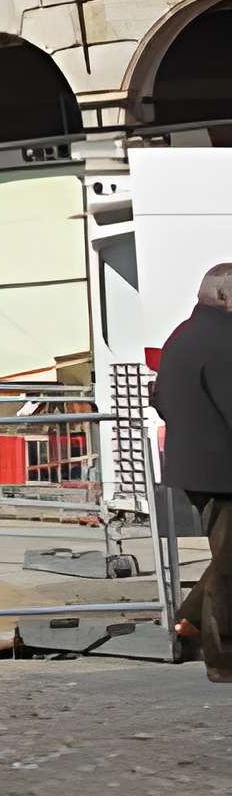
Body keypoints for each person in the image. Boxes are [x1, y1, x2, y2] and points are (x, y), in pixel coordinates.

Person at [152, 263, 232, 681]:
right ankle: (222, 660)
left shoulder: (182, 335)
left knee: (226, 558)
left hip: (195, 467)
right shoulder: (224, 339)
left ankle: (188, 621)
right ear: (224, 297)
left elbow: (160, 397)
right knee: (229, 567)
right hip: (224, 471)